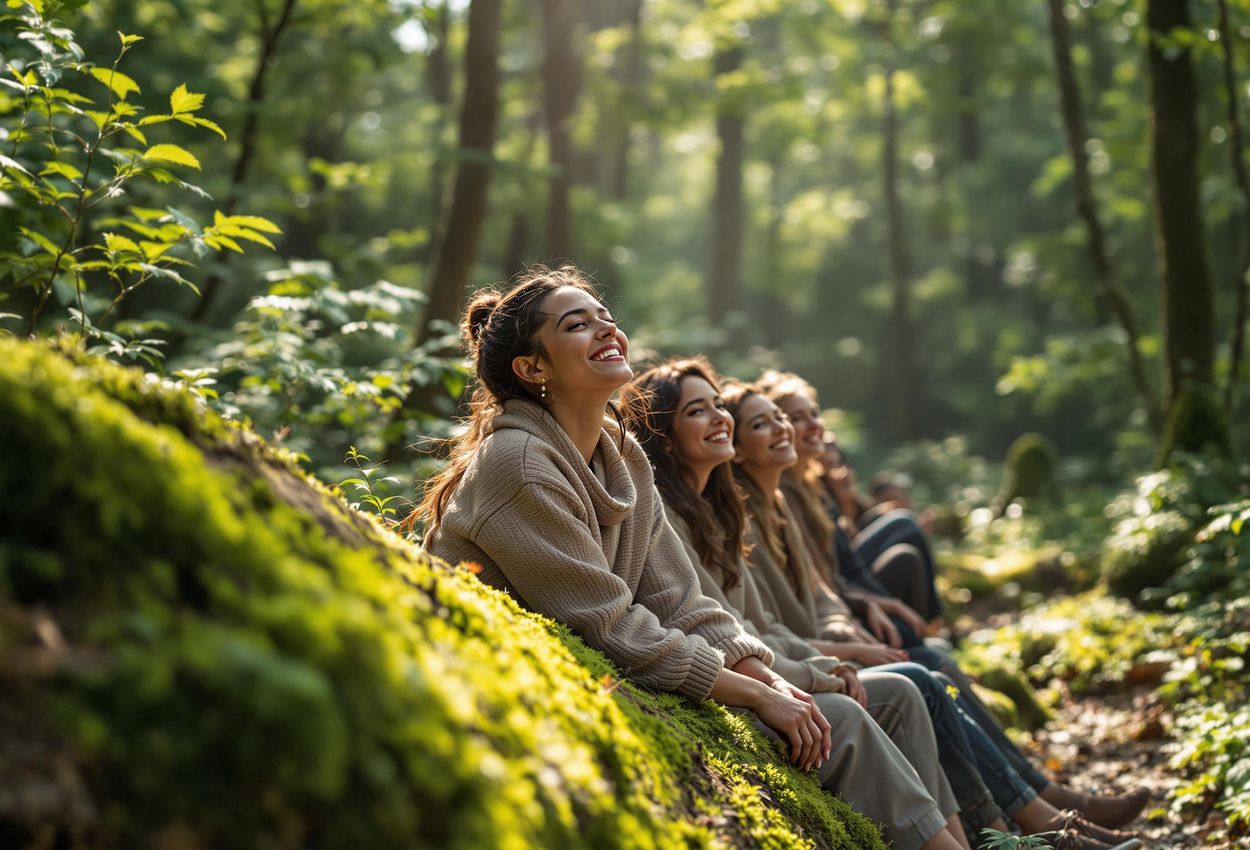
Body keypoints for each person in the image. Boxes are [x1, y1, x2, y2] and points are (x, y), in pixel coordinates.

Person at [418, 266, 973, 850]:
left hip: (624, 667)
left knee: (852, 709)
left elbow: (681, 599)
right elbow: (609, 624)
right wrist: (758, 694)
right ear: (532, 370)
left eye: (605, 316)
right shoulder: (518, 464)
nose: (607, 329)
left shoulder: (621, 454)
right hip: (526, 693)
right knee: (850, 719)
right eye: (578, 325)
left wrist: (764, 677)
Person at [750, 371, 1151, 835]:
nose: (804, 427)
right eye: (788, 418)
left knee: (936, 663)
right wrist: (850, 635)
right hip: (812, 656)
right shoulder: (774, 502)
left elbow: (828, 589)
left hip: (830, 642)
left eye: (806, 415)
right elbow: (799, 605)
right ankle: (1020, 820)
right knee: (926, 672)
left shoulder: (797, 494)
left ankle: (1031, 803)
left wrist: (861, 614)